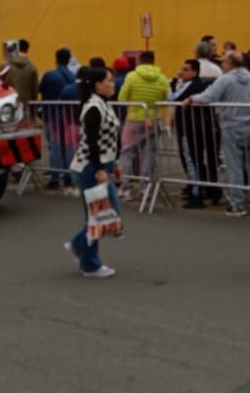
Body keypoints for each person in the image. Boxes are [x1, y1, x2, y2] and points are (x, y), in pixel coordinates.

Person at [186, 50, 250, 216]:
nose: (223, 65)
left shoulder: (226, 79)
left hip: (231, 126)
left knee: (234, 167)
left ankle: (238, 204)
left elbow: (208, 96)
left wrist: (192, 99)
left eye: (225, 62)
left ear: (230, 63)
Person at [64, 66, 122, 278]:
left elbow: (110, 139)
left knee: (104, 214)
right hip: (90, 166)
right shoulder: (94, 108)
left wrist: (114, 162)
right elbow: (91, 142)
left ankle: (80, 246)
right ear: (98, 85)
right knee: (99, 215)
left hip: (99, 165)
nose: (112, 84)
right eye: (109, 80)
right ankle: (89, 263)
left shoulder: (102, 104)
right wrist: (99, 168)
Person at [116, 52, 168, 201]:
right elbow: (166, 98)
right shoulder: (162, 78)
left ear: (139, 61)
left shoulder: (132, 76)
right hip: (154, 119)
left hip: (134, 119)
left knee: (127, 152)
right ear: (153, 61)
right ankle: (146, 187)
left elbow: (122, 97)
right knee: (149, 153)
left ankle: (126, 187)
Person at [170, 59, 219, 209]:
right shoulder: (199, 85)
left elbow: (174, 99)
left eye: (185, 69)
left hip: (190, 127)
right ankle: (209, 189)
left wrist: (172, 86)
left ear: (194, 72)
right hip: (199, 127)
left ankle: (197, 194)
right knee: (200, 160)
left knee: (192, 160)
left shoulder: (192, 85)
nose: (181, 72)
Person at [39, 48, 79, 189]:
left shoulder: (50, 75)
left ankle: (55, 177)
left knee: (55, 147)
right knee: (68, 146)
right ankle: (68, 175)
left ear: (56, 58)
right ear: (69, 60)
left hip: (52, 116)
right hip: (69, 117)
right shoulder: (73, 76)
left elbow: (40, 89)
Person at [3, 40, 40, 108]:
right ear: (27, 49)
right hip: (26, 105)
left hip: (9, 105)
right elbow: (35, 90)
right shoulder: (32, 67)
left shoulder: (6, 65)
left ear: (16, 48)